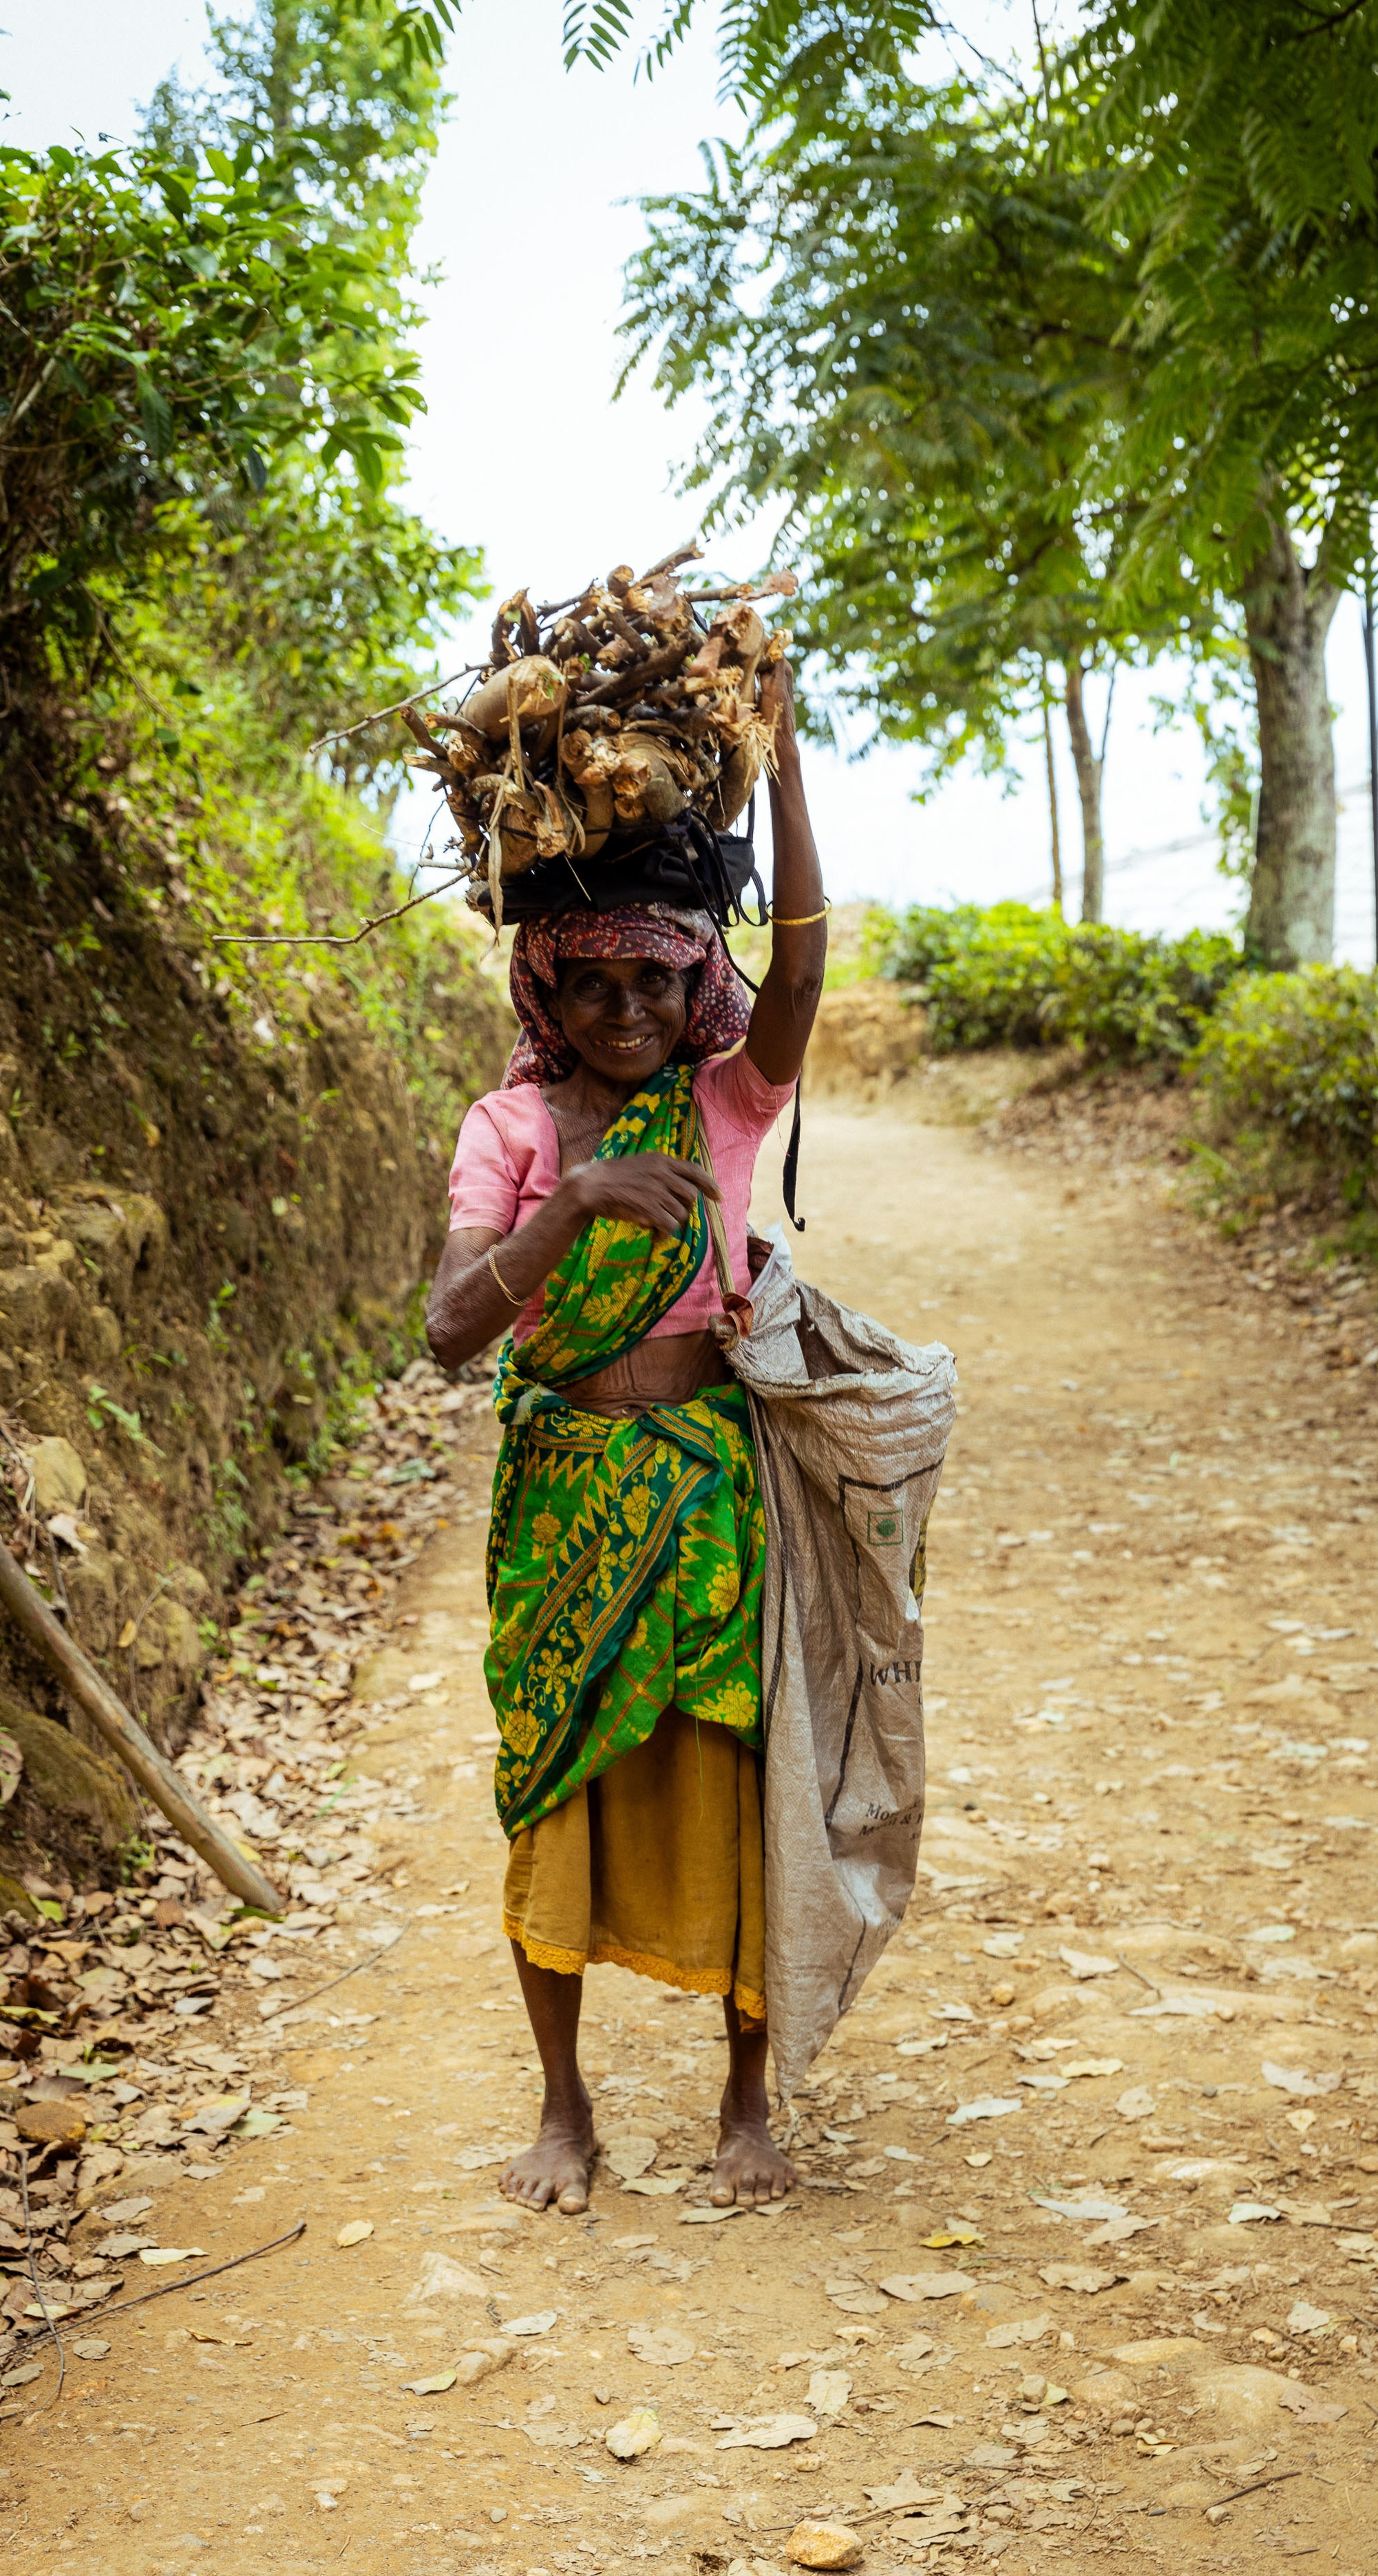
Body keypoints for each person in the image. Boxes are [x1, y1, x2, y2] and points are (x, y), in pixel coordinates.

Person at [427, 663, 825, 2213]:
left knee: (735, 1773)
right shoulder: (513, 1130)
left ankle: (745, 2106)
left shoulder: (723, 1105)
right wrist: (578, 1202)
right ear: (547, 993)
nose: (627, 1011)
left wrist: (782, 760)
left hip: (708, 1492)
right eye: (591, 985)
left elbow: (801, 968)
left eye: (656, 981)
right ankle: (564, 2111)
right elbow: (451, 1328)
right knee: (552, 1783)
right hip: (564, 1498)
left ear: (692, 986)